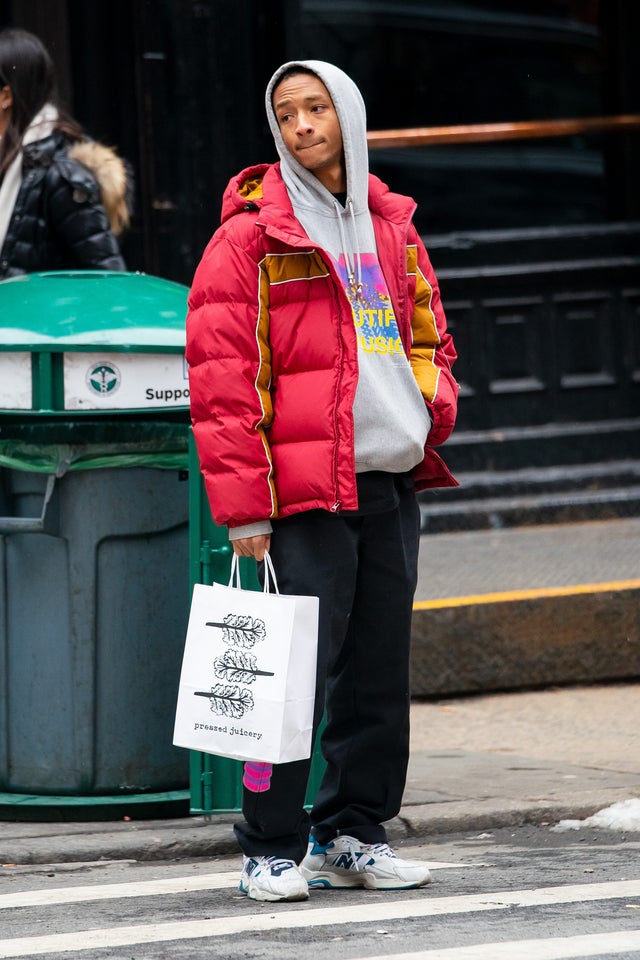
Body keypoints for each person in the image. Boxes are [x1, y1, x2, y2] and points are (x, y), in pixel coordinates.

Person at [186, 60, 459, 903]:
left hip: (386, 479)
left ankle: (353, 831)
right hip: (301, 493)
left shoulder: (388, 227)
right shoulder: (251, 239)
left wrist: (427, 407)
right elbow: (223, 379)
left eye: (317, 108)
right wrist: (244, 510)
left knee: (377, 672)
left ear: (348, 115)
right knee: (287, 677)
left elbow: (427, 335)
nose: (303, 125)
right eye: (287, 113)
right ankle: (267, 846)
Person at [0, 28, 130, 280]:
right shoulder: (13, 163)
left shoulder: (59, 175)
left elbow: (108, 277)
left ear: (6, 96)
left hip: (40, 318)